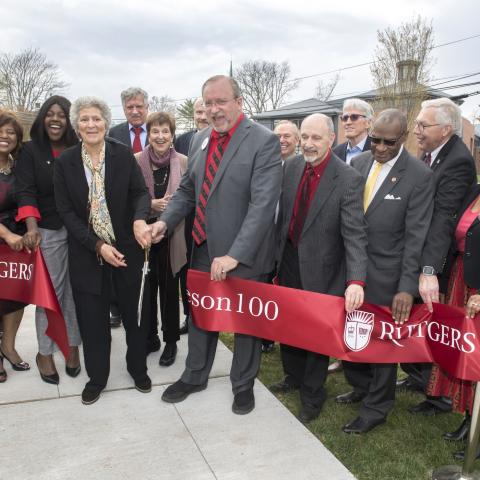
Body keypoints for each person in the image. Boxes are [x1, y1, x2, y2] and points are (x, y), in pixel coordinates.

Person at [152, 75, 282, 415]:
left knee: (246, 324)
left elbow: (262, 206)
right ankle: (195, 375)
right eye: (208, 103)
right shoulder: (199, 139)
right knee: (199, 314)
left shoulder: (263, 141)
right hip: (202, 245)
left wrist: (235, 254)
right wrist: (163, 223)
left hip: (245, 254)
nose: (213, 109)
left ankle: (243, 385)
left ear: (239, 102)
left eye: (220, 102)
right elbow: (187, 191)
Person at [337, 109, 434, 434]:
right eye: (375, 139)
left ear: (403, 138)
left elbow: (415, 235)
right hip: (353, 269)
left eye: (387, 142)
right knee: (351, 332)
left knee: (381, 344)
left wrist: (407, 287)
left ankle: (376, 407)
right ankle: (360, 386)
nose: (378, 147)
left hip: (388, 274)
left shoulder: (419, 176)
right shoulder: (359, 164)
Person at [53, 96, 152, 405]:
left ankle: (137, 369)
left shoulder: (123, 156)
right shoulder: (65, 162)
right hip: (87, 251)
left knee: (134, 315)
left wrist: (139, 219)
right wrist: (97, 245)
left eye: (96, 118)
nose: (91, 124)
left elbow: (141, 193)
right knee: (93, 319)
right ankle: (97, 377)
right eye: (85, 119)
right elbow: (66, 212)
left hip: (127, 250)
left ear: (106, 122)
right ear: (76, 125)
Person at [269, 113, 367, 423]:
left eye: (316, 138)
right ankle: (293, 376)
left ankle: (313, 394)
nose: (309, 144)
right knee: (288, 324)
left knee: (314, 334)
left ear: (331, 140)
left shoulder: (348, 178)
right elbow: (283, 217)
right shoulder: (292, 167)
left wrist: (355, 281)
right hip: (287, 260)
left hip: (323, 270)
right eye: (305, 137)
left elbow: (354, 233)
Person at [403, 98, 477, 414]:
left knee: (442, 326)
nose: (416, 130)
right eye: (417, 123)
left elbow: (443, 217)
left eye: (423, 125)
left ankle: (442, 395)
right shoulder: (432, 153)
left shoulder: (457, 161)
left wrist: (429, 268)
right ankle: (421, 378)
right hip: (426, 252)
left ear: (446, 129)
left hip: (447, 261)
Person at [15, 96, 82, 385]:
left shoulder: (78, 148)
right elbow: (25, 191)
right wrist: (32, 228)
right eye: (50, 114)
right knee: (50, 292)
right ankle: (45, 351)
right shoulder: (30, 151)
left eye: (62, 115)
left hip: (79, 230)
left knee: (76, 291)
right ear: (43, 118)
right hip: (48, 230)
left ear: (70, 120)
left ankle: (72, 345)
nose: (55, 119)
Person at [424, 183, 480, 457]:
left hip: (479, 292)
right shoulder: (473, 191)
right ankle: (471, 419)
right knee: (465, 352)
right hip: (462, 280)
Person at [136, 112, 187, 365]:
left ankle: (170, 342)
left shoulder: (184, 162)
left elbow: (190, 200)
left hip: (172, 238)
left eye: (165, 131)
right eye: (155, 131)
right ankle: (150, 338)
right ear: (148, 134)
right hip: (142, 238)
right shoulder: (135, 161)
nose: (160, 136)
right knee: (146, 293)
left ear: (172, 134)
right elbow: (128, 199)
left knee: (169, 293)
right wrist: (151, 205)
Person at [107, 87, 150, 328]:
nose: (135, 111)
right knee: (117, 258)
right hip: (120, 210)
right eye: (130, 107)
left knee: (142, 266)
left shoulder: (156, 131)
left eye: (139, 106)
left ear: (146, 107)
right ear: (123, 109)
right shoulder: (113, 133)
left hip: (151, 208)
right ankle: (116, 308)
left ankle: (141, 307)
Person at [174, 97, 210, 336]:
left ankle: (210, 313)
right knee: (187, 270)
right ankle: (190, 315)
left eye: (205, 110)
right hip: (186, 219)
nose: (202, 116)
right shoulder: (184, 141)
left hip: (211, 217)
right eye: (198, 111)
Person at [0, 111, 28, 382]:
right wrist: (7, 234)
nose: (4, 136)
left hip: (17, 243)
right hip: (4, 236)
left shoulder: (18, 165)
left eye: (10, 132)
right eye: (1, 130)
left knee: (15, 297)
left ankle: (8, 346)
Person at [333, 98, 373, 165]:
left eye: (354, 117)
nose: (348, 122)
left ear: (368, 123)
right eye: (345, 118)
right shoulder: (335, 153)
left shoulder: (377, 150)